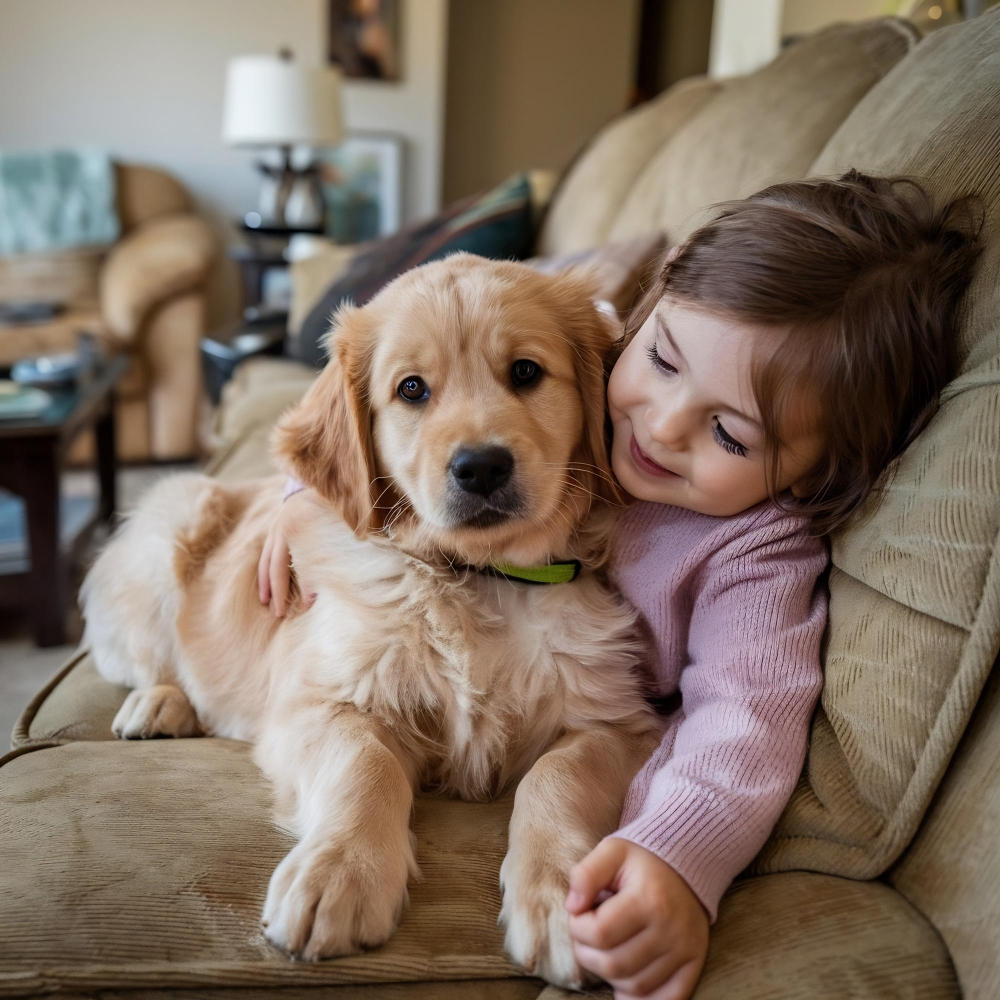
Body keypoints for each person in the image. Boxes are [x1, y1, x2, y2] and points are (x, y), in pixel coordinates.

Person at [256, 171, 982, 1000]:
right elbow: (354, 437)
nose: (662, 428)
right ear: (640, 328)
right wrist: (305, 495)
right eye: (663, 361)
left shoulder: (751, 550)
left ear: (816, 472)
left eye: (729, 432)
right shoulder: (609, 367)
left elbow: (746, 715)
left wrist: (677, 854)